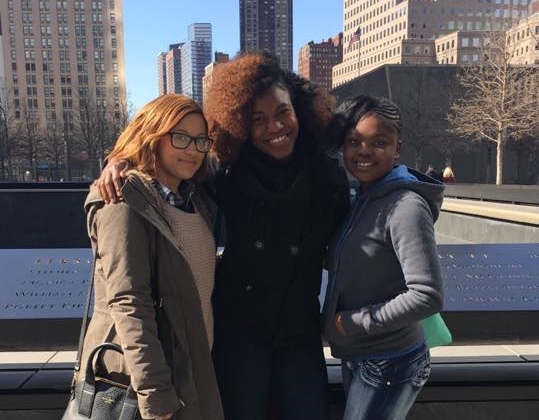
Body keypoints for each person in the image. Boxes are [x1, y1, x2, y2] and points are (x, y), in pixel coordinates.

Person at [96, 52, 350, 420]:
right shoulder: (225, 173)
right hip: (239, 330)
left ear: (299, 110)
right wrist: (120, 161)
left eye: (283, 112)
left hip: (300, 331)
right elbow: (169, 159)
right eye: (257, 119)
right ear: (240, 124)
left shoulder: (329, 177)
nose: (274, 127)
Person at [82, 93, 223, 420]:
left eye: (200, 140)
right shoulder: (123, 201)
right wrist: (155, 393)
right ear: (153, 136)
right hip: (143, 382)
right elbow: (129, 301)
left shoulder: (190, 198)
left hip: (188, 368)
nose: (192, 149)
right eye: (180, 137)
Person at [322, 95, 444, 420]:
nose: (363, 151)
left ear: (397, 148)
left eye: (379, 142)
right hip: (366, 356)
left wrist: (354, 322)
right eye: (353, 141)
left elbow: (427, 295)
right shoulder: (362, 198)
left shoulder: (405, 207)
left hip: (391, 361)